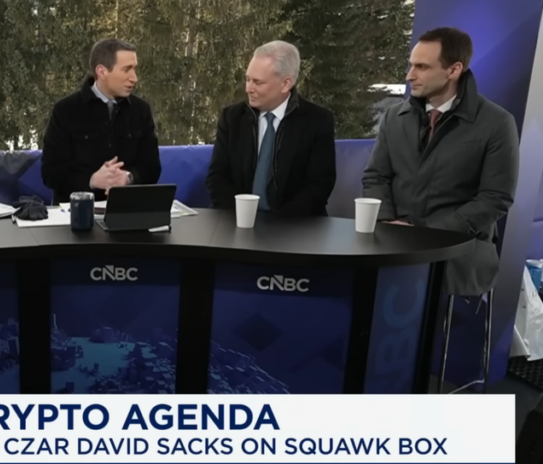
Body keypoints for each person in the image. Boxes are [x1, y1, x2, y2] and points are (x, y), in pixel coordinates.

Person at [362, 27, 518, 297]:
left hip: (458, 248)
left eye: (422, 67)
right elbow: (376, 177)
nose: (410, 75)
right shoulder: (393, 117)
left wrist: (429, 233)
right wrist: (387, 221)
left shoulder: (497, 123)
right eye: (411, 65)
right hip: (394, 240)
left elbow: (495, 198)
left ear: (454, 70)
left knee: (424, 296)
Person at [205, 41, 337, 217]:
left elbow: (319, 186)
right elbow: (217, 177)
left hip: (295, 224)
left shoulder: (318, 121)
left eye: (258, 82)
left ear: (285, 84)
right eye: (248, 79)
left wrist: (278, 224)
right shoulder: (232, 118)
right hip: (236, 220)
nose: (248, 89)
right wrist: (242, 218)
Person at [41, 38, 161, 204]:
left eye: (134, 69)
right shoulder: (65, 110)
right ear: (102, 71)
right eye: (126, 69)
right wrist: (92, 181)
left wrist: (128, 177)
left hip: (127, 209)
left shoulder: (141, 110)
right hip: (75, 211)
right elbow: (50, 173)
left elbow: (152, 168)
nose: (134, 78)